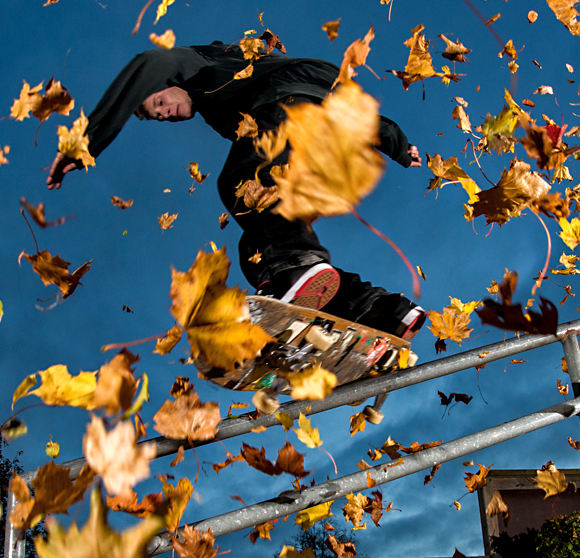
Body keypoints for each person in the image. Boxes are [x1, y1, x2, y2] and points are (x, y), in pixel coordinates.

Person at [46, 41, 425, 339]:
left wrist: (83, 145)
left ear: (171, 81)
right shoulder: (222, 110)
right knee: (259, 245)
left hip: (294, 102)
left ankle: (295, 271)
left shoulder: (199, 64)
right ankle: (378, 309)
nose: (164, 113)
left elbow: (148, 64)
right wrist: (395, 141)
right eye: (158, 115)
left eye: (159, 101)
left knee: (241, 184)